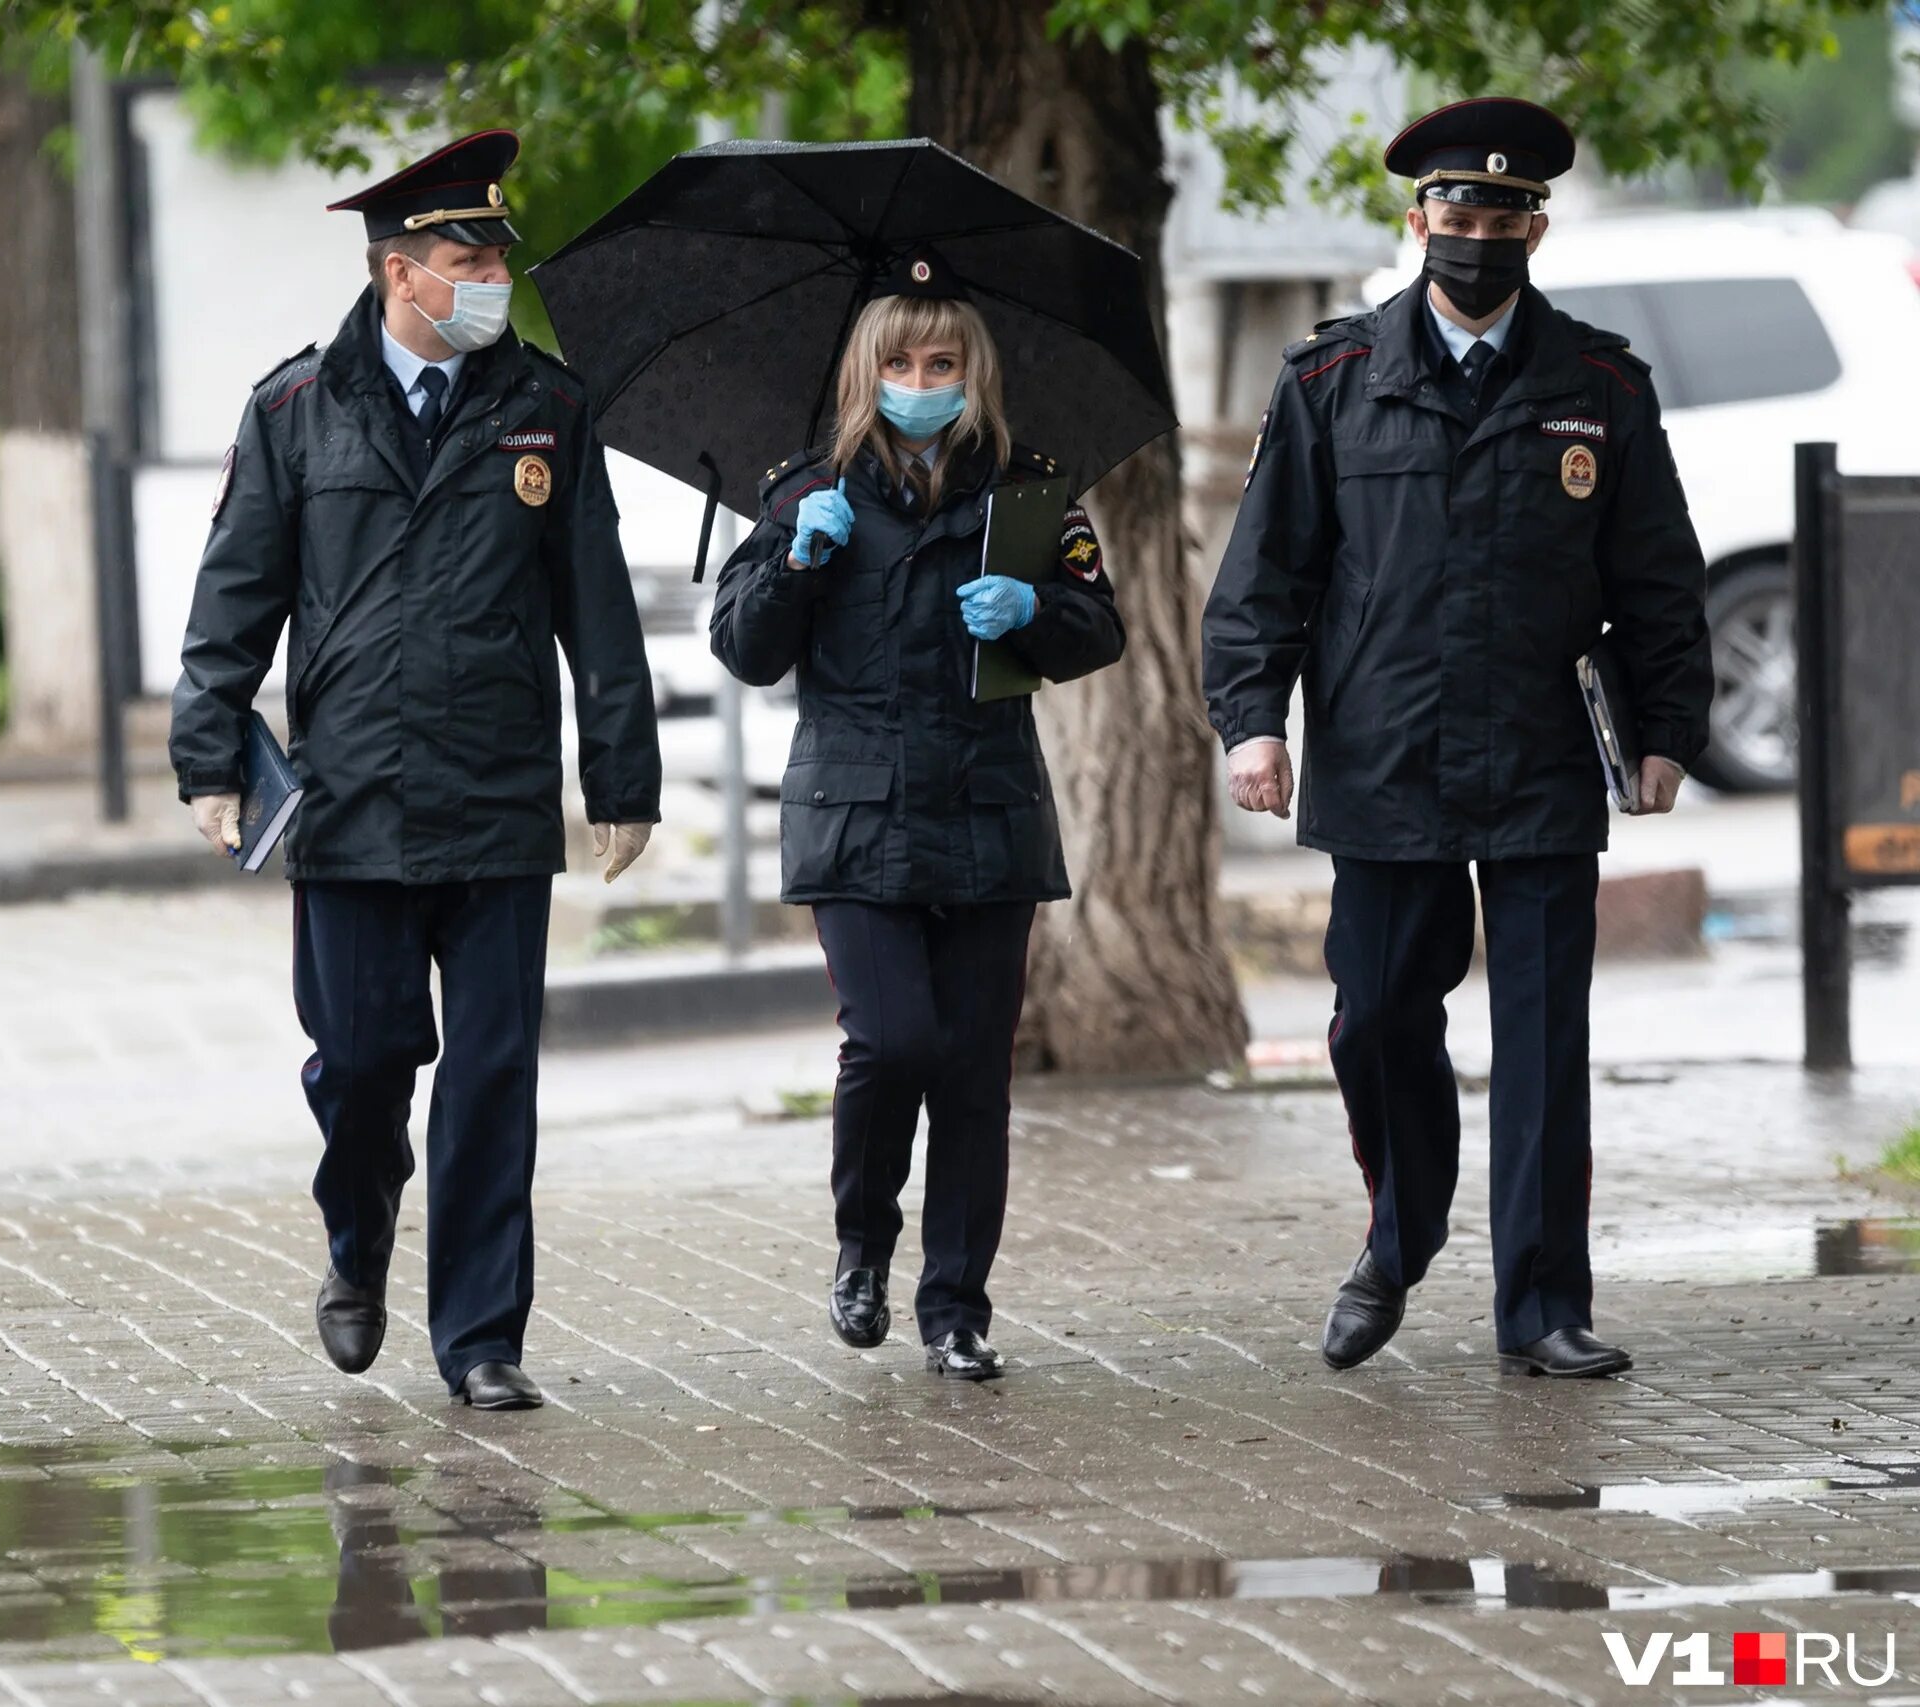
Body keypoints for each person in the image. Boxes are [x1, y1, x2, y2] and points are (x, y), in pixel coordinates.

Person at [1202, 98, 1711, 1379]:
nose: (1476, 233)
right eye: (1456, 212)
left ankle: (1541, 1305)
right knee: (1374, 1018)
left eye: (1502, 215)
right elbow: (1267, 569)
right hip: (1383, 754)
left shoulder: (1599, 388)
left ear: (1535, 228)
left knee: (1544, 1042)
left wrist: (1664, 734)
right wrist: (1251, 721)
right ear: (1417, 219)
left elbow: (1657, 577)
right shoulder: (1328, 380)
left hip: (1539, 752)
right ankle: (1402, 1229)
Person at [169, 131, 661, 1411]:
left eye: (497, 250)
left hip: (498, 798)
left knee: (494, 1074)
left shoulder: (546, 406)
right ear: (399, 272)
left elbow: (593, 602)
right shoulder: (293, 409)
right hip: (350, 803)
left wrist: (623, 774)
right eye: (465, 254)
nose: (492, 273)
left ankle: (482, 1335)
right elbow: (235, 596)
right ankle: (355, 1234)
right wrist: (207, 752)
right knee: (362, 1063)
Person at [709, 254, 1125, 1379]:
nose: (921, 378)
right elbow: (745, 652)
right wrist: (798, 564)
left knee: (973, 1071)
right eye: (900, 361)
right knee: (890, 1043)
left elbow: (1101, 632)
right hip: (855, 811)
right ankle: (862, 1247)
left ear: (973, 373)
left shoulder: (1030, 490)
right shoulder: (807, 489)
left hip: (988, 808)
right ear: (866, 370)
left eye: (942, 361)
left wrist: (1038, 607)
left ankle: (957, 1308)